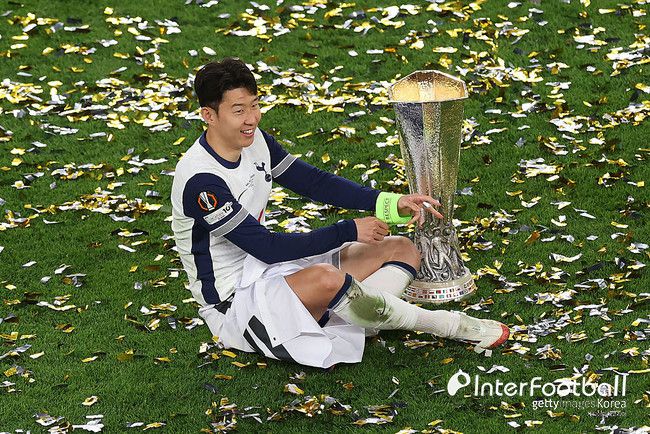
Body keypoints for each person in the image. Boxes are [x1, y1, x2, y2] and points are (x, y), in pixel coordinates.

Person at [171, 58, 509, 368]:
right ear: (208, 115)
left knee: (401, 248)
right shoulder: (202, 181)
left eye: (255, 105)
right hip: (233, 303)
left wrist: (388, 202)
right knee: (327, 279)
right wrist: (348, 230)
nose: (252, 119)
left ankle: (361, 312)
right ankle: (448, 325)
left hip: (271, 272)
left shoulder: (254, 139)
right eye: (238, 110)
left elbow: (313, 182)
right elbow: (266, 247)